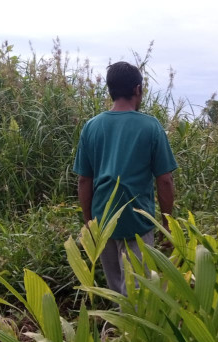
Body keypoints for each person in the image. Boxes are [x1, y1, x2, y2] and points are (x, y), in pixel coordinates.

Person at [73, 61, 178, 295]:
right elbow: (165, 180)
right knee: (138, 291)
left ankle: (119, 330)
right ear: (137, 89)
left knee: (116, 289)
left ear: (109, 89)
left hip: (103, 221)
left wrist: (90, 222)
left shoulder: (91, 127)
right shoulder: (151, 127)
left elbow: (84, 180)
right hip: (138, 222)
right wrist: (167, 222)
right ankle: (132, 331)